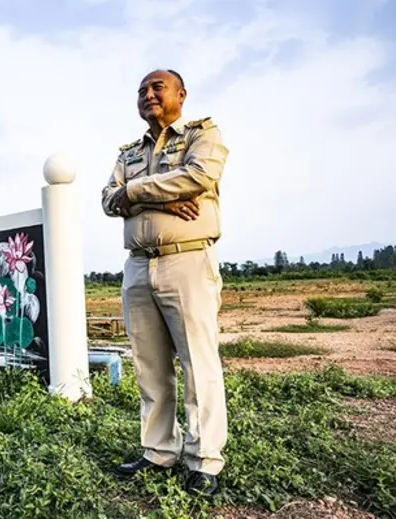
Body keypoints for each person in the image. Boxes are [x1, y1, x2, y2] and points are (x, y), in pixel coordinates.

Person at [101, 69, 229, 496]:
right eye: (141, 90)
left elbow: (199, 177)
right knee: (150, 365)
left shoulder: (200, 136)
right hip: (138, 267)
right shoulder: (128, 151)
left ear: (181, 94)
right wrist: (165, 198)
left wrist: (135, 192)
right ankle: (158, 451)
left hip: (187, 262)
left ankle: (205, 460)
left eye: (157, 87)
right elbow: (107, 199)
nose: (148, 95)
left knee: (198, 363)